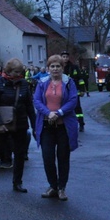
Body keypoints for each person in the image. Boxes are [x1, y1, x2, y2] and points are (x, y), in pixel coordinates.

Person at [0, 58, 36, 193]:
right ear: (8, 71)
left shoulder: (23, 84)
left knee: (20, 154)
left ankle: (17, 182)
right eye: (16, 72)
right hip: (2, 125)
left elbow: (29, 106)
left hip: (20, 124)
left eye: (20, 72)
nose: (19, 74)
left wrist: (34, 125)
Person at [34, 54, 79, 201]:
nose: (55, 69)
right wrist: (48, 113)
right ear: (48, 68)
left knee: (63, 157)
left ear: (62, 68)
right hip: (47, 125)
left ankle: (62, 188)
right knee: (47, 156)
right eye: (52, 66)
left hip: (63, 126)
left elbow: (73, 100)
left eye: (58, 66)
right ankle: (52, 185)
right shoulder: (42, 82)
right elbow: (37, 100)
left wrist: (59, 112)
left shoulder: (69, 82)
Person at [61, 51, 86, 132]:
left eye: (66, 57)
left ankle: (81, 124)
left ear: (68, 58)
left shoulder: (74, 67)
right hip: (63, 93)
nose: (65, 58)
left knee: (77, 108)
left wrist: (82, 90)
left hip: (74, 92)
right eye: (63, 57)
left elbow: (80, 79)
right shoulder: (59, 67)